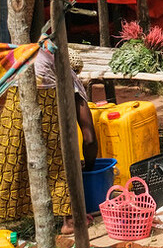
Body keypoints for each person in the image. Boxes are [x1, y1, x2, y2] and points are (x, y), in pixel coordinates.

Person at [0, 48, 97, 235]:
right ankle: (70, 220)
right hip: (48, 119)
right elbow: (89, 138)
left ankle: (13, 216)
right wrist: (90, 166)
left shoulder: (21, 64)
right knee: (60, 161)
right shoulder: (69, 80)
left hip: (13, 112)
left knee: (10, 159)